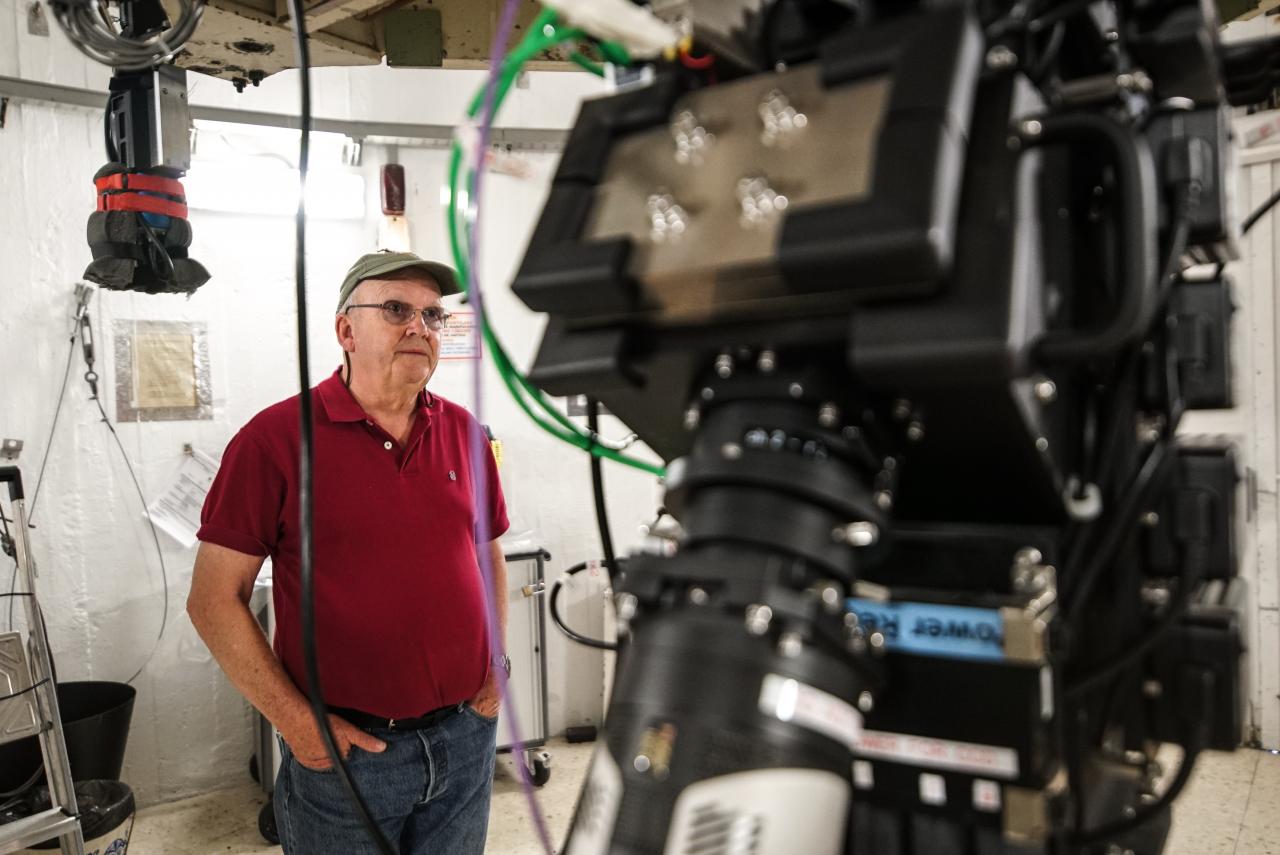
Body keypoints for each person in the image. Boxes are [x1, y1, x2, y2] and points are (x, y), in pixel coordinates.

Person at [187, 250, 511, 854]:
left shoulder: (467, 433)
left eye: (433, 316)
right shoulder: (275, 441)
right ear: (345, 330)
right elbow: (212, 600)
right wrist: (295, 724)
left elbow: (487, 549)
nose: (419, 327)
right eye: (395, 310)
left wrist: (496, 665)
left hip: (465, 739)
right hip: (347, 757)